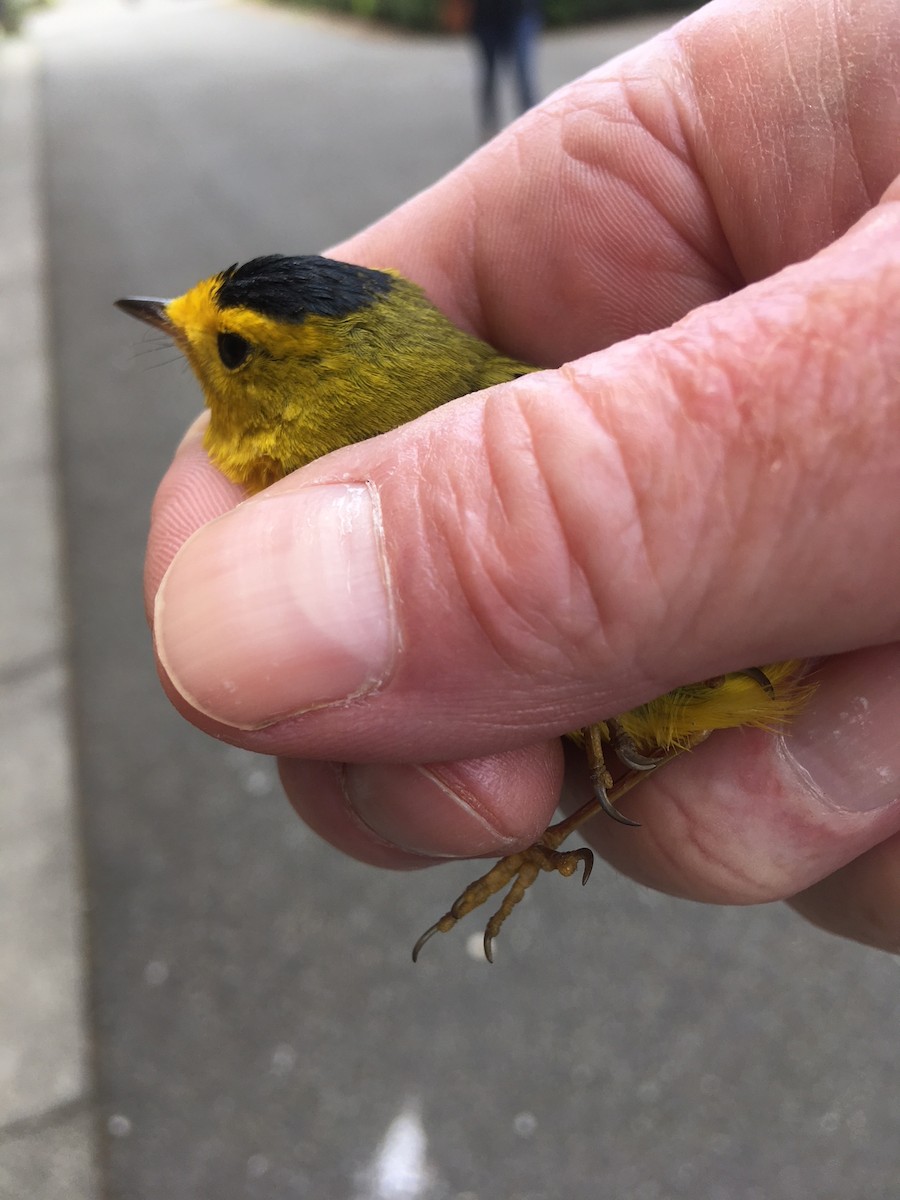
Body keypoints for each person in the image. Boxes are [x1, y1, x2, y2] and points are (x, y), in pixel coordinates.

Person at [145, 0, 900, 954]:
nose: (185, 336)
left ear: (305, 385)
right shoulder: (325, 444)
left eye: (235, 351)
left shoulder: (365, 456)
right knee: (665, 796)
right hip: (690, 672)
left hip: (743, 643)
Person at [469, 0, 540, 137]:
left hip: (519, 13)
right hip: (485, 17)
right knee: (489, 74)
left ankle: (534, 124)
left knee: (523, 74)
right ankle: (490, 125)